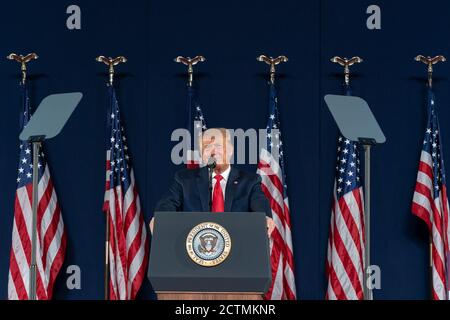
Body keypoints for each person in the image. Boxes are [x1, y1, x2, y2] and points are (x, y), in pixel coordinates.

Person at [151, 128, 275, 236]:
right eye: (207, 147)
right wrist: (160, 218)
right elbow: (167, 204)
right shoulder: (184, 180)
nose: (213, 151)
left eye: (219, 146)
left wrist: (265, 218)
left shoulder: (249, 181)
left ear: (230, 150)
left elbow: (259, 205)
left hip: (238, 248)